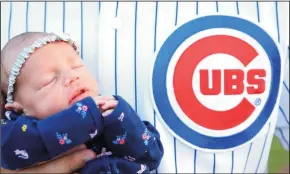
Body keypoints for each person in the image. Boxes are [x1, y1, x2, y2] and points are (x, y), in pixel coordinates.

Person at [0, 32, 163, 173]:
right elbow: (9, 153)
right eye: (49, 81)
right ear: (20, 109)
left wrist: (120, 117)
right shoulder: (15, 133)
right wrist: (83, 116)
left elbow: (152, 156)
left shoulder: (105, 112)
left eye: (76, 66)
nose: (72, 77)